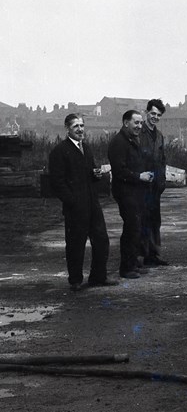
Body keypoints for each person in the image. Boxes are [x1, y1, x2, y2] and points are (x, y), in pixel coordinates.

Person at [48, 114, 112, 291]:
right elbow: (57, 182)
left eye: (82, 126)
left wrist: (96, 175)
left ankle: (98, 277)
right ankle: (75, 281)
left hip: (93, 204)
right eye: (76, 126)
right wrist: (72, 201)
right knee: (76, 243)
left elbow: (90, 174)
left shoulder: (87, 148)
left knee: (101, 240)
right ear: (67, 128)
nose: (80, 129)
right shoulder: (59, 151)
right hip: (75, 207)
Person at [108, 110, 154, 279]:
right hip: (126, 192)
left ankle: (133, 263)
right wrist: (139, 176)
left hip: (136, 191)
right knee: (131, 229)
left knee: (136, 228)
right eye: (136, 123)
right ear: (125, 123)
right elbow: (119, 171)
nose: (139, 126)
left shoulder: (132, 140)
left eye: (141, 123)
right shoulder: (118, 142)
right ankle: (126, 268)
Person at [139, 99, 168, 266]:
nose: (155, 117)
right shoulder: (138, 132)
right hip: (141, 185)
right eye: (152, 114)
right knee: (141, 220)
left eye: (158, 115)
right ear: (146, 112)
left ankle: (154, 255)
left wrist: (162, 180)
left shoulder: (159, 136)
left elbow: (162, 160)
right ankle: (141, 256)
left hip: (155, 186)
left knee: (155, 220)